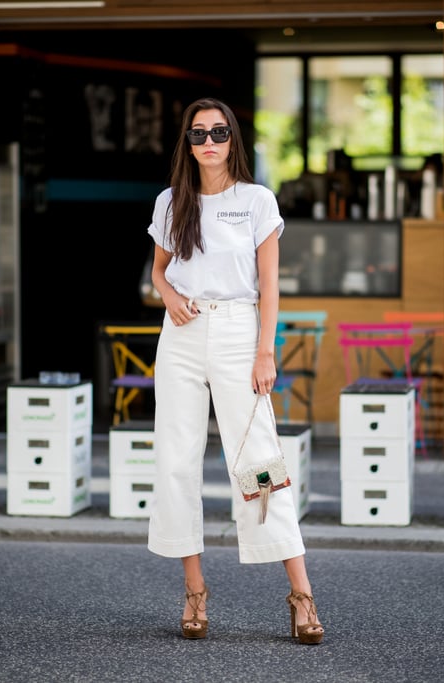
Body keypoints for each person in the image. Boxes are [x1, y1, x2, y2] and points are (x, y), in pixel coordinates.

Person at [145, 97, 324, 645]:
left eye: (218, 132)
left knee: (259, 463)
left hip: (239, 333)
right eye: (198, 134)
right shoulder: (171, 202)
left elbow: (270, 285)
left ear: (233, 139)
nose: (209, 142)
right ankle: (195, 592)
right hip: (181, 335)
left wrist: (265, 351)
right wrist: (170, 295)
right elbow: (157, 271)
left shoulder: (256, 201)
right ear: (188, 143)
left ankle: (301, 594)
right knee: (176, 461)